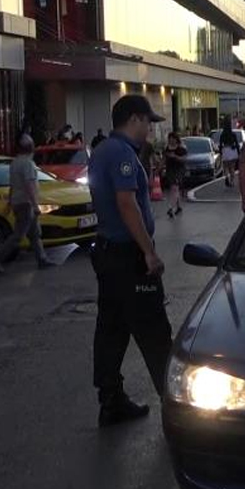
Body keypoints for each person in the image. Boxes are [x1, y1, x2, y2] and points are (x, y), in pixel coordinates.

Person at [86, 94, 172, 427]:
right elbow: (126, 203)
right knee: (154, 332)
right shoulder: (122, 154)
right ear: (134, 119)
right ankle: (176, 406)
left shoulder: (102, 151)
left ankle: (110, 399)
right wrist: (148, 252)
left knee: (112, 328)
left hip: (108, 253)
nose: (150, 128)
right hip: (128, 256)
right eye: (148, 122)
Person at [0, 135, 54, 272]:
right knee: (18, 235)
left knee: (35, 234)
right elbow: (29, 185)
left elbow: (12, 185)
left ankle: (42, 259)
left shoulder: (15, 163)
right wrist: (35, 205)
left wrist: (10, 202)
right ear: (31, 147)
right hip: (26, 203)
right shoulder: (28, 164)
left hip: (19, 202)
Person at [162, 131, 187, 218]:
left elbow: (184, 159)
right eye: (170, 139)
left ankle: (171, 208)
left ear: (176, 140)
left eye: (173, 139)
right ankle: (179, 206)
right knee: (174, 188)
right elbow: (164, 159)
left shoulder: (181, 148)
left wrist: (175, 157)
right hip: (170, 170)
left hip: (178, 170)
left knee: (175, 188)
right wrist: (160, 168)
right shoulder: (167, 148)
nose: (171, 141)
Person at [219, 123, 240, 187]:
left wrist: (221, 152)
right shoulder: (233, 134)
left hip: (225, 150)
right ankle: (232, 181)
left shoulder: (222, 134)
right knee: (232, 167)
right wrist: (238, 152)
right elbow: (237, 144)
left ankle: (226, 177)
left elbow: (220, 144)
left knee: (225, 167)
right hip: (232, 151)